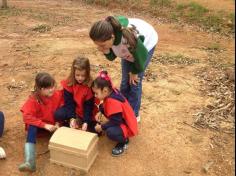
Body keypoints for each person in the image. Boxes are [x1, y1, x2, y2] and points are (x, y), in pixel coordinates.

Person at [89, 15, 158, 122]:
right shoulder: (108, 36)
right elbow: (112, 56)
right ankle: (122, 108)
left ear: (112, 37)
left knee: (134, 83)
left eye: (102, 45)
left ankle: (133, 115)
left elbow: (142, 57)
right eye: (98, 46)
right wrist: (105, 50)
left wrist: (134, 72)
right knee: (125, 82)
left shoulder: (127, 39)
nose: (100, 48)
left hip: (145, 46)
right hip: (128, 51)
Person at [19, 72, 63, 172]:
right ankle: (30, 162)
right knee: (31, 126)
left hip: (55, 128)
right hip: (41, 128)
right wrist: (44, 125)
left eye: (52, 86)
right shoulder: (33, 100)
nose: (51, 89)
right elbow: (26, 117)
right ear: (39, 89)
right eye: (47, 88)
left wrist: (58, 123)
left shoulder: (57, 94)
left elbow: (62, 108)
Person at [92, 71, 138, 156]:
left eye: (96, 93)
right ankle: (119, 133)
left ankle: (124, 141)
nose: (95, 95)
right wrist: (100, 111)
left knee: (110, 132)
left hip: (128, 125)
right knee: (102, 107)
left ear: (105, 91)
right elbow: (104, 105)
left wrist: (102, 127)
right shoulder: (111, 91)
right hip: (123, 119)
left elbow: (116, 121)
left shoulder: (112, 102)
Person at [54, 56, 97, 132]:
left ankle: (81, 122)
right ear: (73, 73)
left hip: (84, 110)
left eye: (83, 75)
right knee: (58, 114)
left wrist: (86, 122)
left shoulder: (90, 86)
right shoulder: (69, 83)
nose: (80, 78)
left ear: (87, 73)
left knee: (94, 130)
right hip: (73, 108)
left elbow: (88, 106)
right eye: (77, 75)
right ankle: (73, 122)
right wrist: (72, 118)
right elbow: (69, 103)